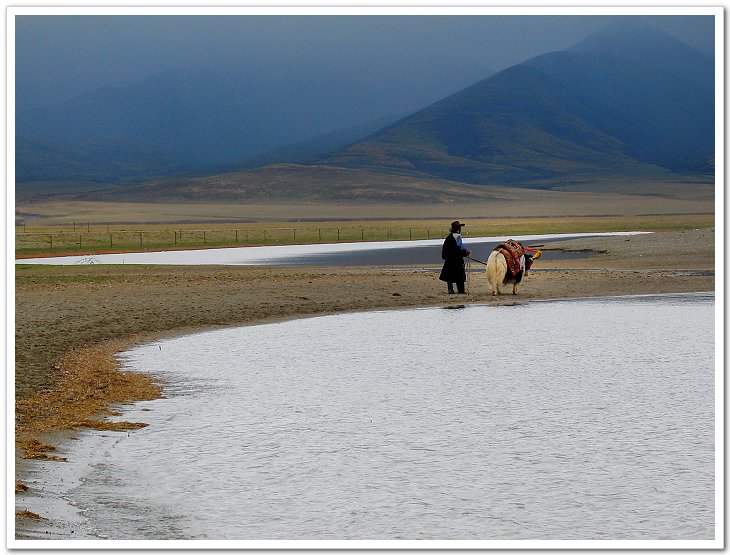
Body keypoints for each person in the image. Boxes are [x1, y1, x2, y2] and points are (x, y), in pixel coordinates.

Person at [439, 220, 471, 294]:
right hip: (457, 260)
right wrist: (467, 252)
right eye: (460, 227)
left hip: (449, 260)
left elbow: (445, 249)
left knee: (449, 275)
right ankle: (461, 290)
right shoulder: (458, 236)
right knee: (459, 275)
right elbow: (461, 247)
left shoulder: (448, 238)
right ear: (458, 229)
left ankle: (450, 289)